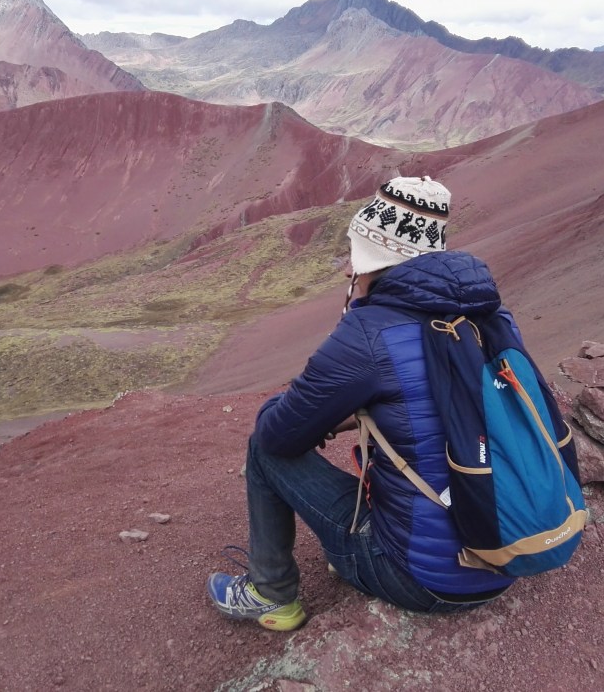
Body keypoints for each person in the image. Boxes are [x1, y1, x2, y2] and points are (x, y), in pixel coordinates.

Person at [207, 176, 519, 631]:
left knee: (262, 446)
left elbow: (279, 434)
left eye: (356, 256)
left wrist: (318, 411)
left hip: (422, 579)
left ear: (376, 259)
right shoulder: (490, 315)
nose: (347, 269)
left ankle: (270, 595)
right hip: (508, 551)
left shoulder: (369, 335)